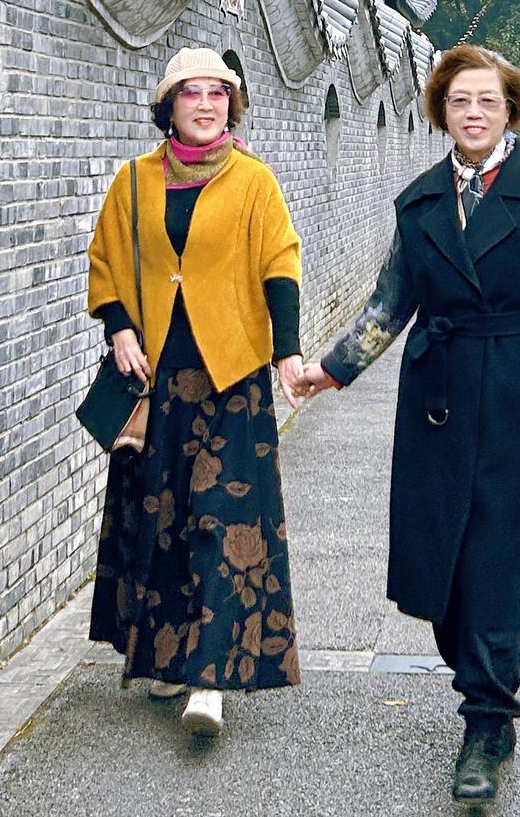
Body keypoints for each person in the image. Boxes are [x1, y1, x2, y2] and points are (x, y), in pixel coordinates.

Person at [297, 45, 520, 806]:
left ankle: (487, 725)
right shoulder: (421, 201)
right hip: (436, 396)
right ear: (441, 110)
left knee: (498, 563)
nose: (474, 113)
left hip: (519, 397)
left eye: (488, 101)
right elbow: (388, 304)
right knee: (444, 565)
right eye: (460, 101)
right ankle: (477, 683)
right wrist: (329, 370)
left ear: (510, 110)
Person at [86, 47, 306, 737]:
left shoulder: (253, 180)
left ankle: (210, 678)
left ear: (232, 106)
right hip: (156, 377)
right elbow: (105, 261)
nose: (206, 104)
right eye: (191, 92)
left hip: (231, 376)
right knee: (164, 519)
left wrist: (287, 350)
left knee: (221, 519)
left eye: (218, 93)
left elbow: (280, 263)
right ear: (169, 105)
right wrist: (119, 330)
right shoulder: (134, 181)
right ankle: (169, 657)